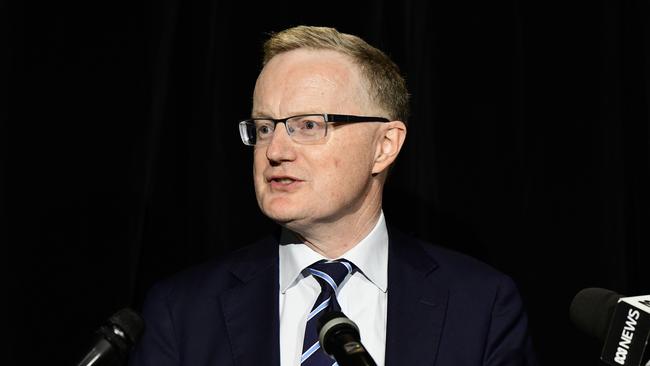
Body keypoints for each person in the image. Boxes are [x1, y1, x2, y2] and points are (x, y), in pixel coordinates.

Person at [129, 25, 537, 366]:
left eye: (308, 125)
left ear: (384, 146)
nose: (275, 151)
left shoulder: (480, 305)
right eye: (265, 127)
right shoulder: (182, 311)